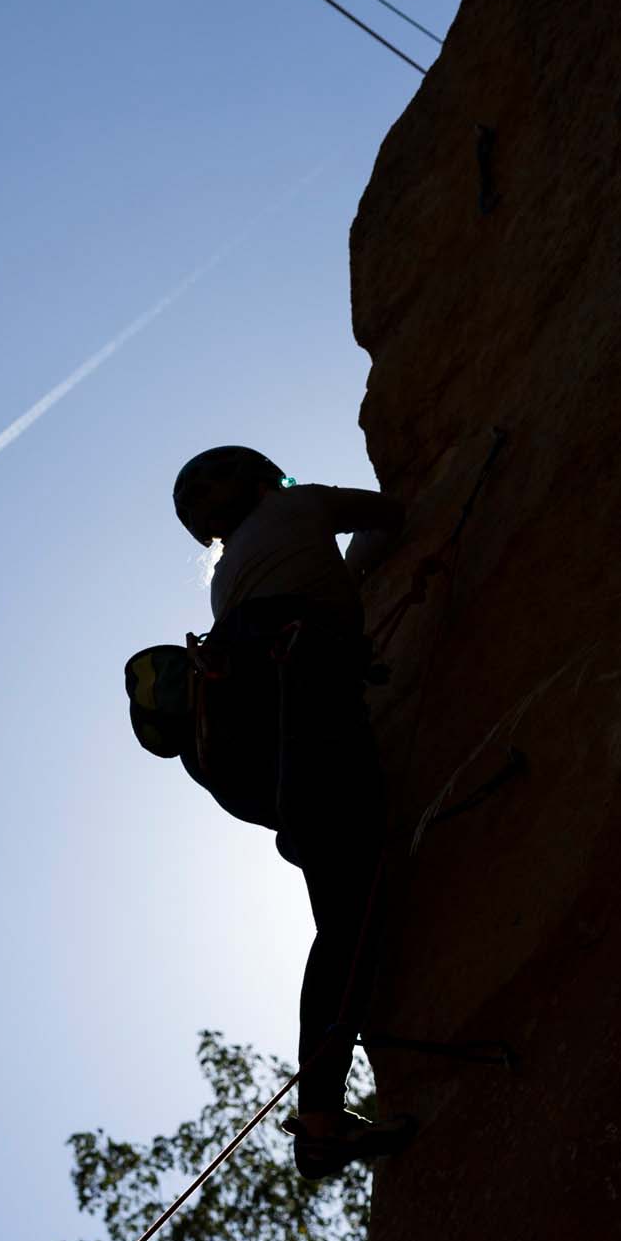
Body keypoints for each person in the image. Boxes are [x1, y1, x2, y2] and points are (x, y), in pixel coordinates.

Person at [166, 444, 414, 1178]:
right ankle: (318, 1118)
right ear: (263, 475)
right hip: (297, 679)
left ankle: (321, 1117)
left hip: (242, 739)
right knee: (356, 887)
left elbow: (318, 578)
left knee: (340, 915)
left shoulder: (225, 579)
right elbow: (389, 514)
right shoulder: (295, 505)